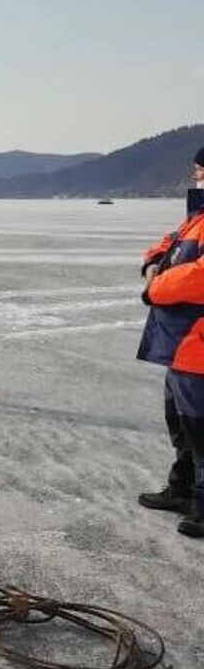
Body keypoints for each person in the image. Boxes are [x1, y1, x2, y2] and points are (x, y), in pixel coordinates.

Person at [136, 149, 204, 539]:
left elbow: (198, 274)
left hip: (197, 342)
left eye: (200, 170)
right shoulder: (197, 216)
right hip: (180, 343)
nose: (195, 176)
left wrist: (154, 288)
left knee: (200, 427)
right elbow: (170, 243)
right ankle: (183, 489)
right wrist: (153, 261)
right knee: (179, 422)